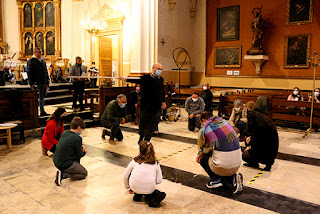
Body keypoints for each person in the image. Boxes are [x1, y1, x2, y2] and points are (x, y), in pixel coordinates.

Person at [196, 112, 243, 193]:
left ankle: (215, 180)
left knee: (203, 156)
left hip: (223, 166)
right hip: (237, 163)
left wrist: (200, 153)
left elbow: (206, 149)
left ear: (203, 120)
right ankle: (233, 178)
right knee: (221, 154)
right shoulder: (225, 123)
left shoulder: (208, 128)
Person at [120, 63, 166, 144]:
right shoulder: (146, 78)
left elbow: (162, 91)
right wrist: (125, 79)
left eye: (161, 69)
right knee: (143, 123)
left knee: (152, 123)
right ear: (153, 68)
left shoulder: (160, 79)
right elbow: (136, 80)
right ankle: (141, 137)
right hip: (146, 106)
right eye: (158, 68)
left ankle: (147, 139)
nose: (160, 71)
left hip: (156, 107)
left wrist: (163, 101)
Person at [123, 141, 166, 207]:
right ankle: (150, 197)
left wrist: (128, 188)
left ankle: (138, 195)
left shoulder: (135, 161)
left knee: (132, 174)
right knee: (157, 193)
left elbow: (125, 176)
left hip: (134, 188)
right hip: (149, 189)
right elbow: (159, 180)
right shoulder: (155, 163)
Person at [53, 117, 87, 186]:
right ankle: (63, 175)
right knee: (83, 173)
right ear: (78, 127)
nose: (81, 132)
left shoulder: (65, 133)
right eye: (81, 129)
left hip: (57, 161)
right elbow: (80, 154)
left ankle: (68, 171)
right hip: (65, 163)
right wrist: (84, 151)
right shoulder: (77, 138)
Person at [243, 107, 279, 171]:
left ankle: (254, 162)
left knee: (245, 155)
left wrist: (249, 146)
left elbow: (258, 144)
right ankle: (267, 164)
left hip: (264, 153)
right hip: (271, 154)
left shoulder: (259, 127)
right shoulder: (267, 122)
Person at [27, 48, 49, 116]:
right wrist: (31, 83)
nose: (41, 53)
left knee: (42, 97)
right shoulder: (31, 61)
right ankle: (35, 112)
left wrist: (47, 81)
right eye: (39, 52)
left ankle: (42, 111)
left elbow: (45, 72)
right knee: (36, 98)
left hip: (43, 81)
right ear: (34, 52)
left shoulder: (42, 60)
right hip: (36, 82)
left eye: (41, 52)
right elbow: (29, 72)